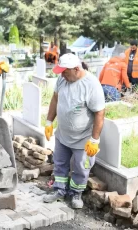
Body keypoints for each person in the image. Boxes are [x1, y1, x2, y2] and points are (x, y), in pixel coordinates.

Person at [43, 53, 105, 209]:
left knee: (81, 167)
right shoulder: (62, 80)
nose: (62, 75)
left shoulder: (91, 85)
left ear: (76, 69)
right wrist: (49, 121)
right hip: (63, 135)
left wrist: (94, 140)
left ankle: (76, 193)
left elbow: (99, 113)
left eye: (65, 71)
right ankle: (59, 190)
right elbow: (55, 98)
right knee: (60, 163)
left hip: (82, 139)